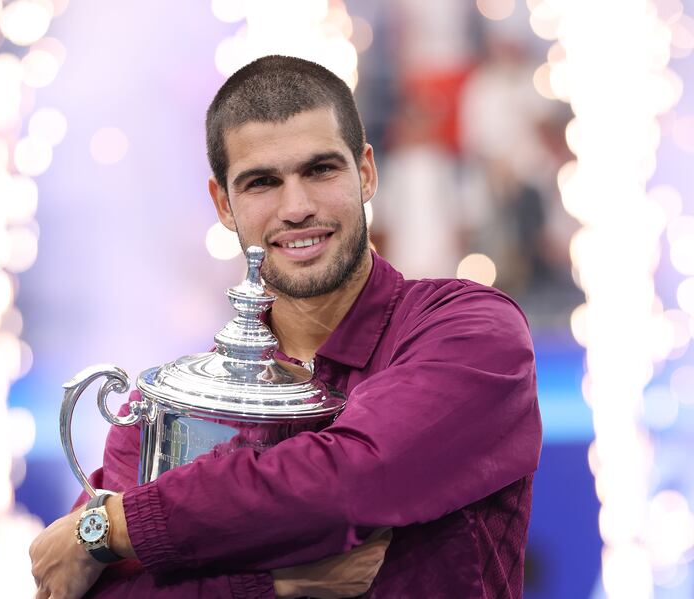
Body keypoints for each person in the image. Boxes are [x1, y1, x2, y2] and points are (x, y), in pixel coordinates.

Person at [30, 55, 542, 598]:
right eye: (261, 183)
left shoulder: (470, 331)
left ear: (365, 172)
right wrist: (275, 584)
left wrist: (117, 527)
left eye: (320, 170)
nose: (296, 207)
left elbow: (350, 479)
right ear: (223, 205)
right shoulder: (176, 403)